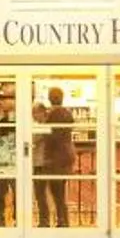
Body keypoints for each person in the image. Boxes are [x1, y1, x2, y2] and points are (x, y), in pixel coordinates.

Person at [32, 86, 78, 227]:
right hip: (66, 156)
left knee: (55, 192)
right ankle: (62, 220)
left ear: (50, 98)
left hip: (54, 158)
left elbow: (48, 136)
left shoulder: (52, 115)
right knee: (59, 192)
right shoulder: (67, 114)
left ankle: (58, 221)